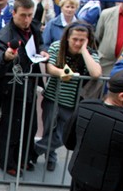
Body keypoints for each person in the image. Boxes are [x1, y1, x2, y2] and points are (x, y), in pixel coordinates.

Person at [0, 0, 49, 177]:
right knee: (10, 130)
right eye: (23, 15)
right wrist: (5, 58)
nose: (27, 19)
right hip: (11, 92)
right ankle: (8, 163)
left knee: (29, 127)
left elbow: (39, 44)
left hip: (29, 88)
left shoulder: (34, 29)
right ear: (13, 13)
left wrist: (42, 52)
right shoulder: (4, 36)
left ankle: (24, 158)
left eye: (30, 15)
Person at [35, 21, 102, 172]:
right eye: (75, 39)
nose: (78, 43)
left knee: (62, 136)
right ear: (67, 38)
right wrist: (61, 73)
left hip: (73, 102)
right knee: (48, 131)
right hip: (53, 97)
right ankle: (50, 157)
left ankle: (33, 151)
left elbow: (96, 73)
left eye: (82, 40)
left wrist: (84, 51)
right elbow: (50, 67)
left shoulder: (90, 53)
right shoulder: (57, 46)